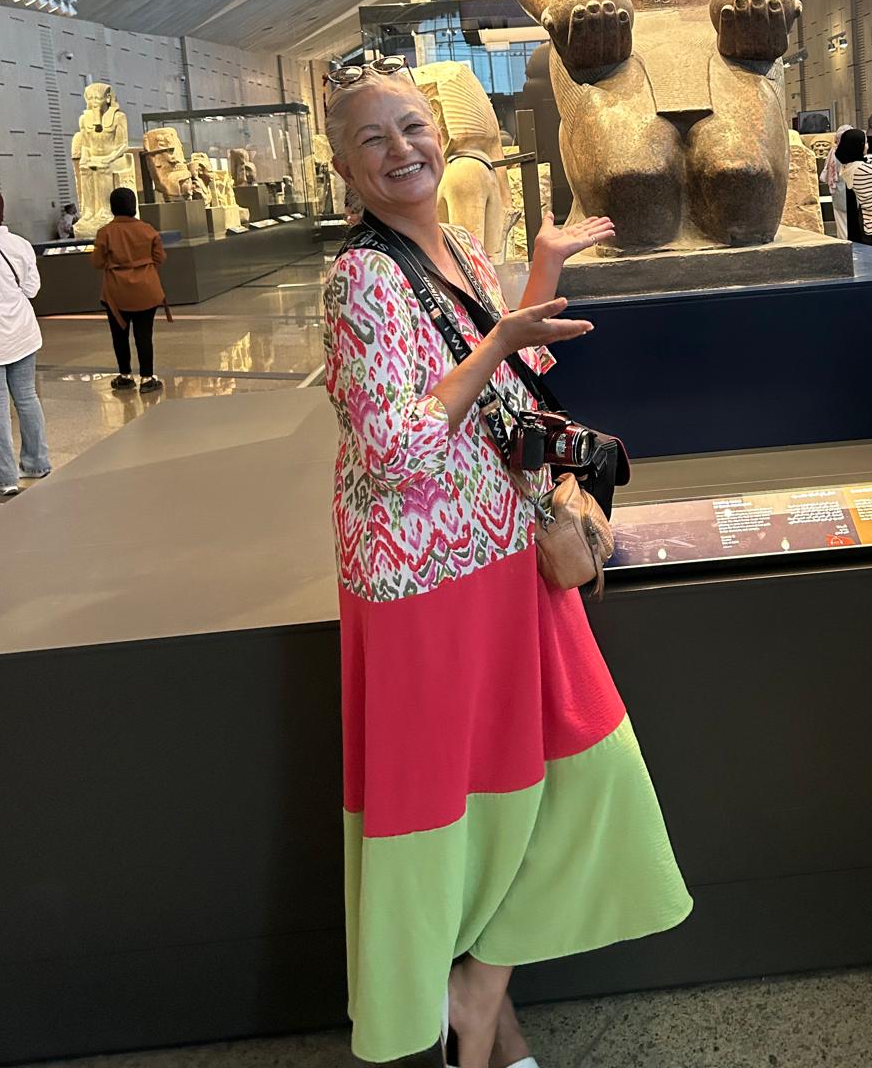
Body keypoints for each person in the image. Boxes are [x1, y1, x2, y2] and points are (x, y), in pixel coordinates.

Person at [322, 64, 692, 1068]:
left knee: (563, 782)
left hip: (506, 550)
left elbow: (507, 376)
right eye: (373, 138)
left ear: (443, 134)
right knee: (467, 809)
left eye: (412, 127)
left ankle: (476, 1006)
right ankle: (480, 1021)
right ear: (342, 163)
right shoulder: (359, 277)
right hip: (423, 583)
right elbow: (397, 445)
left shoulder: (463, 246)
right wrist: (500, 342)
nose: (402, 149)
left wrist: (530, 281)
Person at [0, 193, 51, 497]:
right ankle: (37, 463)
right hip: (23, 333)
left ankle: (5, 478)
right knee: (27, 398)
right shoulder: (19, 245)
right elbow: (31, 289)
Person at [91, 189, 168, 393]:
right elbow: (160, 257)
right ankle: (147, 377)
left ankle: (125, 376)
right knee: (144, 335)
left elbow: (97, 262)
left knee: (119, 335)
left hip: (116, 292)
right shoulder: (147, 229)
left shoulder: (105, 232)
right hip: (146, 290)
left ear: (113, 206)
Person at [821, 123, 852, 240]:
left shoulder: (834, 153)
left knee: (843, 228)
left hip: (840, 194)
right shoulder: (846, 153)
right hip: (845, 194)